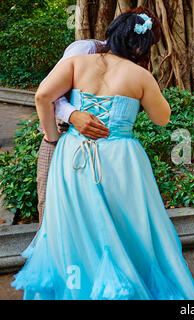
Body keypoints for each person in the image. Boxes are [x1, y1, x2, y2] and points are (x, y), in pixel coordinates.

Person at [11, 10, 194, 300]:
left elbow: (42, 97)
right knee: (127, 225)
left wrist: (53, 138)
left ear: (113, 33)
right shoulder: (141, 76)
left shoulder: (77, 62)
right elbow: (162, 118)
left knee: (77, 223)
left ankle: (80, 285)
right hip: (121, 160)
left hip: (72, 155)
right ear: (141, 46)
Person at [35, 8, 159, 228]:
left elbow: (44, 94)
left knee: (90, 215)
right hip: (62, 132)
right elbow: (49, 94)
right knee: (50, 205)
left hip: (74, 146)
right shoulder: (84, 50)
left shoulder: (132, 69)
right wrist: (71, 117)